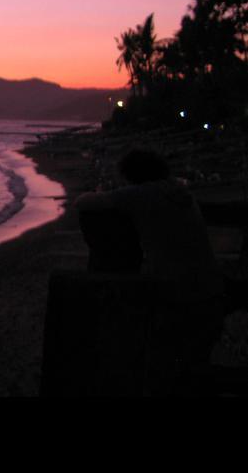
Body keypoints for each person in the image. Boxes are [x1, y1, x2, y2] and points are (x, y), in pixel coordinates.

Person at [76, 148, 224, 394]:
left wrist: (101, 193)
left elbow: (84, 203)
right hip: (212, 293)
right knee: (195, 365)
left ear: (131, 174)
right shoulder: (181, 192)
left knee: (160, 366)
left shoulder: (140, 194)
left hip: (177, 296)